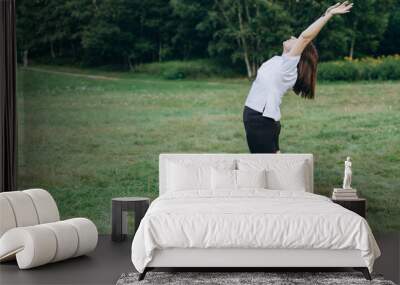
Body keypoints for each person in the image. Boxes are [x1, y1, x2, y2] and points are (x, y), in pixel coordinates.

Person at [243, 1, 353, 153]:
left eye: (296, 40)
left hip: (260, 120)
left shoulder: (288, 67)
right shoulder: (280, 61)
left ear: (300, 52)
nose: (293, 36)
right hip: (257, 119)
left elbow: (305, 37)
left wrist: (327, 15)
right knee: (269, 165)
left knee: (268, 166)